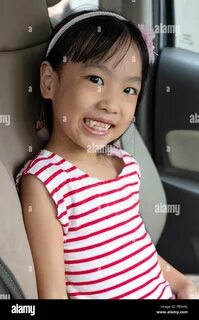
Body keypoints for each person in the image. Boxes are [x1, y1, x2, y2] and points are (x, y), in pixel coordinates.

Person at [16, 9, 199, 300]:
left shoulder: (124, 165)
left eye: (128, 89)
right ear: (49, 81)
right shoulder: (46, 183)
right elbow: (52, 293)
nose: (112, 104)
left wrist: (181, 284)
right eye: (96, 80)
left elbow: (138, 252)